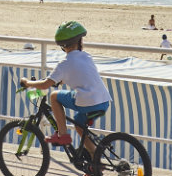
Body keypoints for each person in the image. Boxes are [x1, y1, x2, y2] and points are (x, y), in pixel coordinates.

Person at [21, 21, 109, 154]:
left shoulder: (64, 63)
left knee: (54, 96)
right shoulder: (87, 56)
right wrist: (61, 80)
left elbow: (45, 84)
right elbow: (80, 73)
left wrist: (27, 83)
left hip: (87, 102)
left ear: (63, 46)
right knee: (79, 125)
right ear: (79, 42)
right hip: (103, 101)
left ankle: (63, 135)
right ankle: (95, 159)